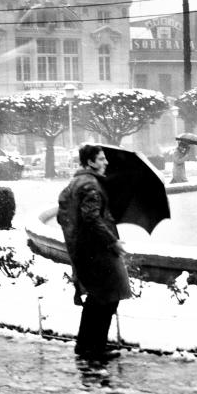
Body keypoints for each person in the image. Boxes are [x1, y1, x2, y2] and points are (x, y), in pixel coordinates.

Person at [56, 145, 132, 361]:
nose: (105, 162)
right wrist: (112, 241)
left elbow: (67, 216)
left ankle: (86, 345)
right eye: (101, 159)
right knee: (108, 298)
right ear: (90, 162)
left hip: (85, 250)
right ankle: (95, 347)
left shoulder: (77, 182)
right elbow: (91, 218)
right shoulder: (91, 184)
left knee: (98, 298)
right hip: (99, 250)